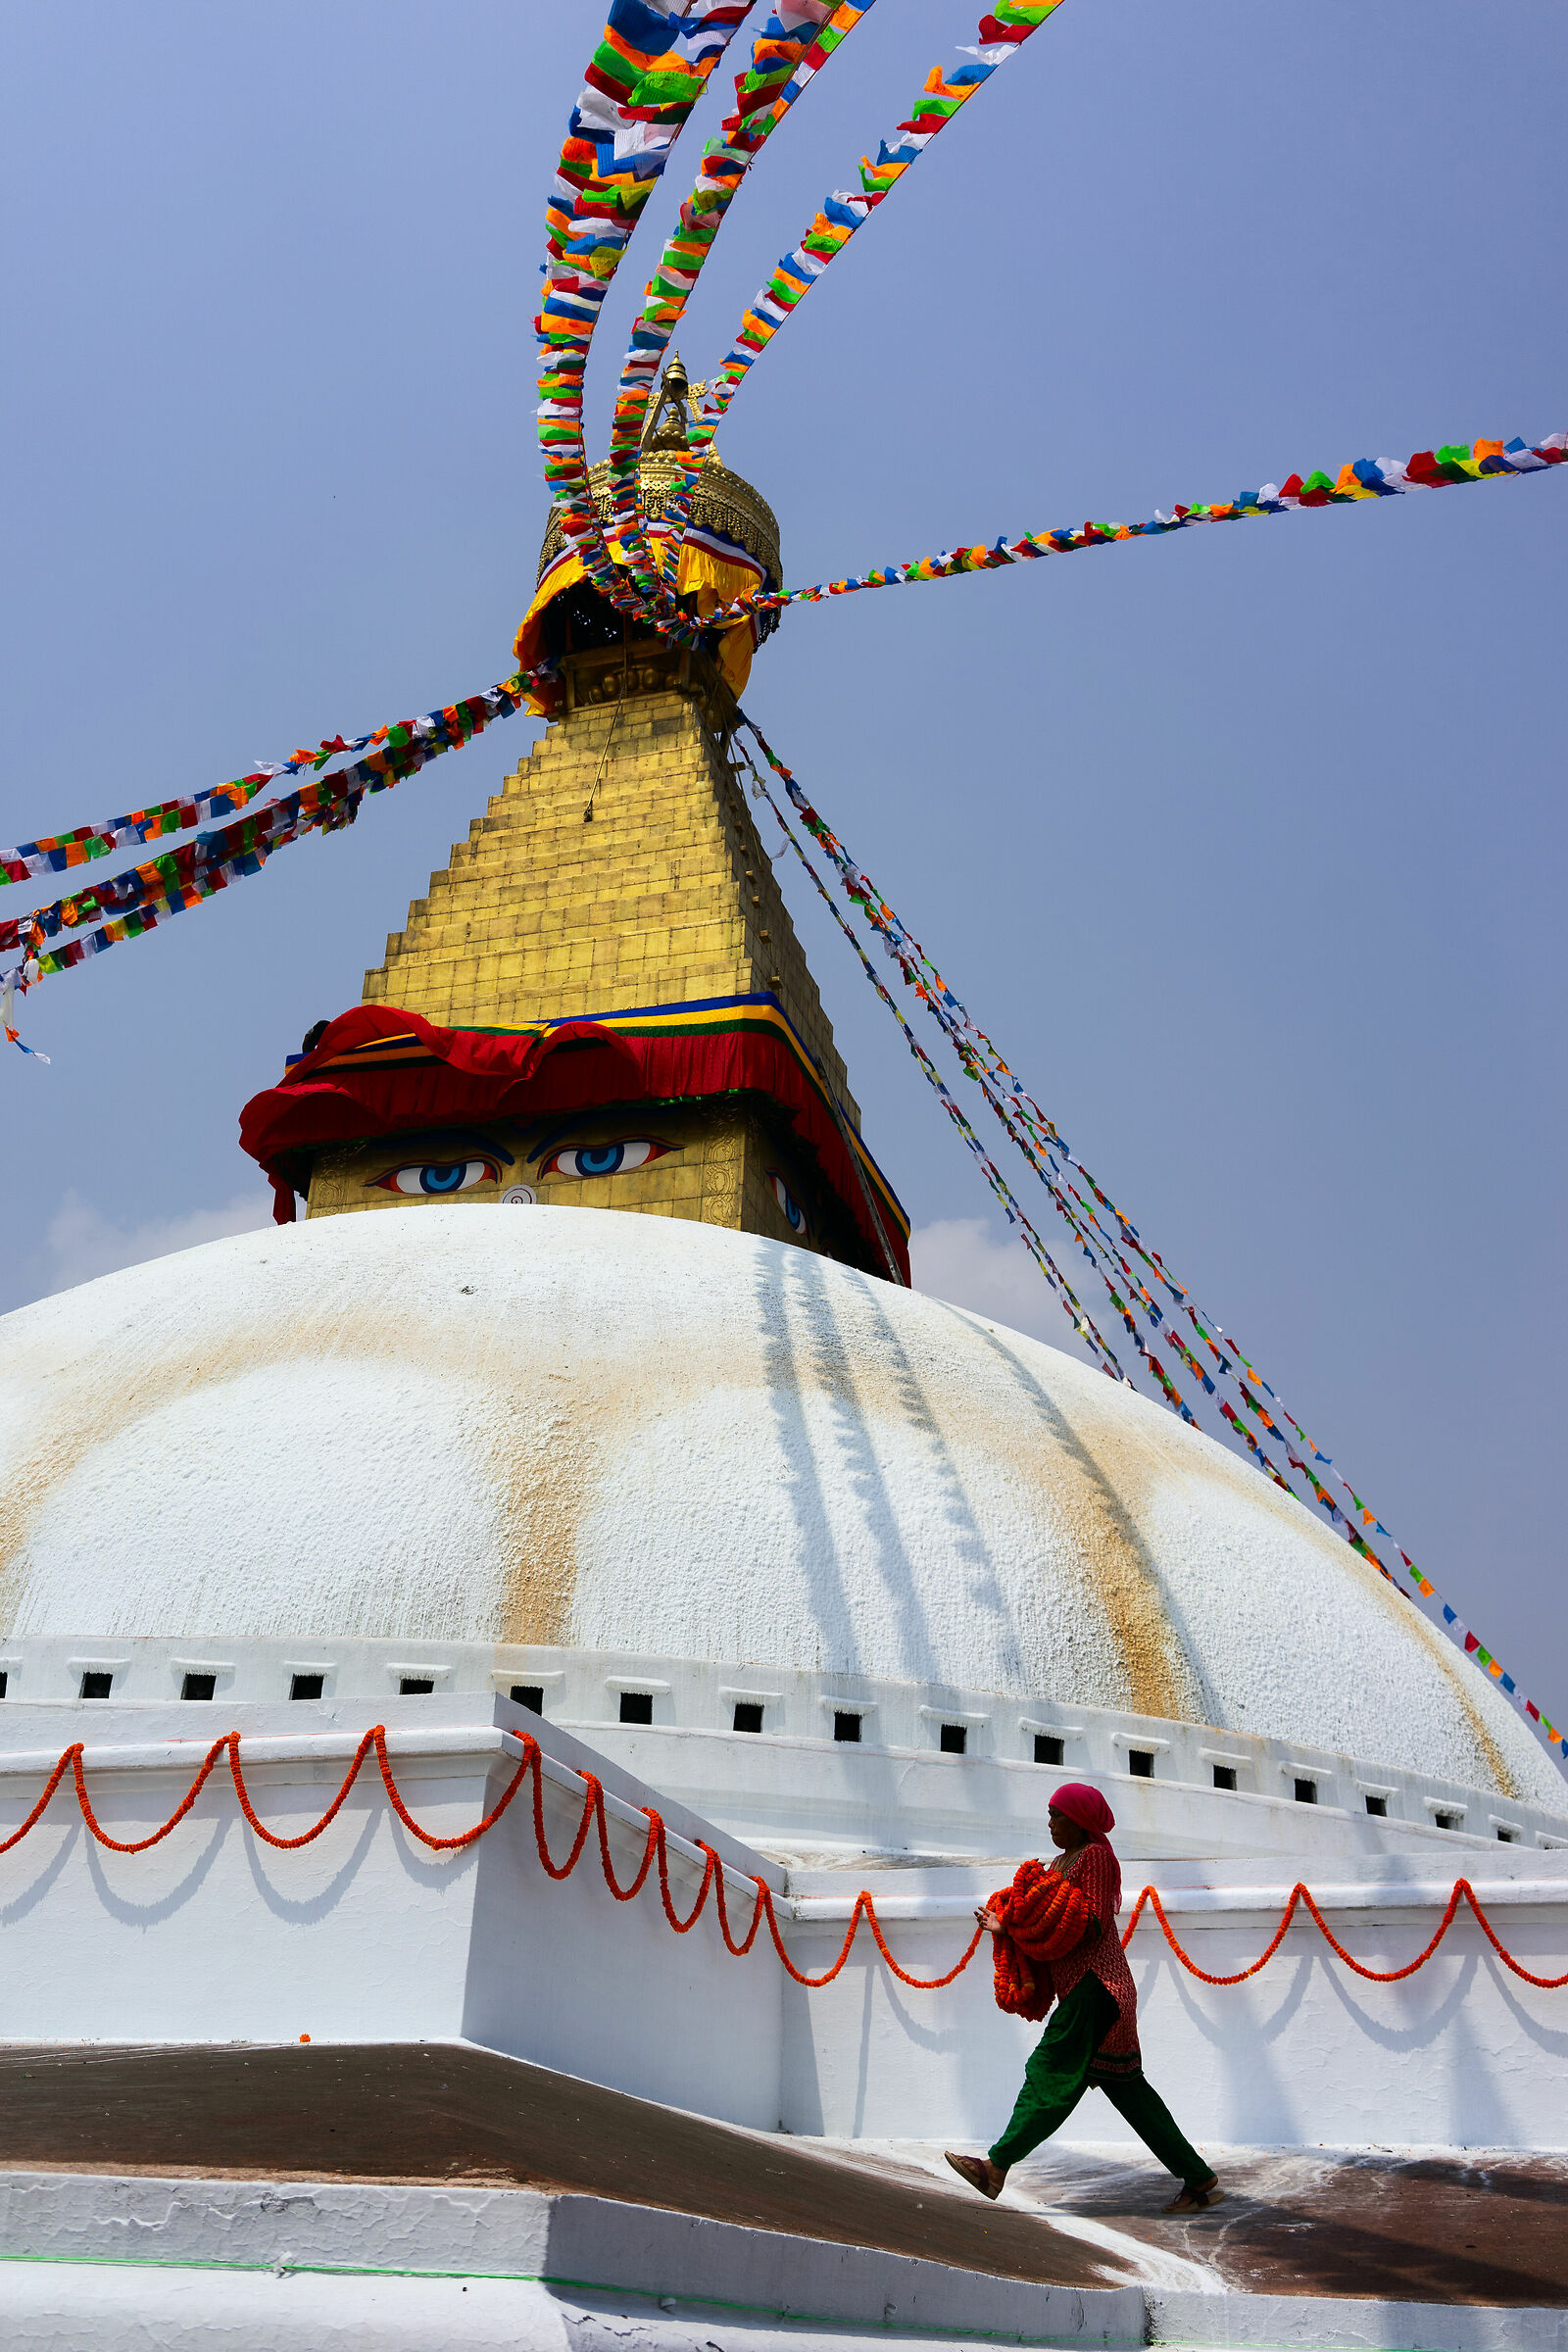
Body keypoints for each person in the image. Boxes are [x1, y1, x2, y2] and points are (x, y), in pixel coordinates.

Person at [945, 1783, 1221, 2214]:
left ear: (1081, 1822)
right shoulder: (1057, 1864)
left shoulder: (1096, 1857)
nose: (1051, 1823)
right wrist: (1010, 1925)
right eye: (1050, 1814)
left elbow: (1086, 1923)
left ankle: (995, 2167)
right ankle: (1198, 2177)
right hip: (1090, 1991)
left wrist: (1023, 1923)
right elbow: (1047, 1919)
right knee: (1131, 2092)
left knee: (1048, 2070)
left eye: (1059, 1816)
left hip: (1098, 1986)